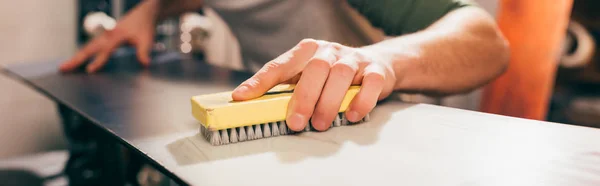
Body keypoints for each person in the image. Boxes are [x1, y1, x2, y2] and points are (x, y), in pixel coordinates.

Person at [59, 0, 509, 132]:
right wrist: (153, 10)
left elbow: (487, 42)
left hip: (360, 122)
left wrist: (382, 60)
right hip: (279, 123)